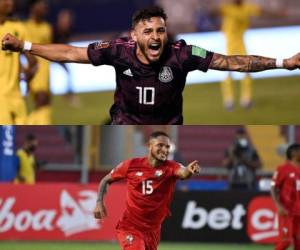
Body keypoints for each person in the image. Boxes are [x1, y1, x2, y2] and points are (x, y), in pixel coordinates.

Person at [2, 6, 300, 125]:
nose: (156, 36)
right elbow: (70, 53)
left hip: (168, 129)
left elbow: (232, 62)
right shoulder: (119, 50)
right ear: (134, 36)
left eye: (160, 30)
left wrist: (284, 62)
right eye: (148, 31)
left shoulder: (183, 53)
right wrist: (25, 46)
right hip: (126, 125)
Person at [93, 131, 200, 250]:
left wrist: (189, 171)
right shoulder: (131, 165)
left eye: (167, 147)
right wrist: (99, 202)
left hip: (153, 231)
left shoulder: (171, 167)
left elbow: (183, 173)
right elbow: (106, 180)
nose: (164, 149)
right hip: (130, 227)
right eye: (160, 145)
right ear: (149, 146)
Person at [0, 0, 37, 124]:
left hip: (17, 97)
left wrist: (26, 78)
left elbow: (33, 61)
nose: (10, 2)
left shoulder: (18, 28)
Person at [25, 0, 52, 124]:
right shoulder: (25, 27)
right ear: (33, 7)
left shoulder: (47, 27)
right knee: (41, 100)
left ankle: (38, 122)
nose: (44, 7)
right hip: (36, 68)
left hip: (46, 69)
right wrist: (31, 67)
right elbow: (24, 50)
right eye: (40, 4)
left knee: (46, 100)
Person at [271, 143, 300, 250]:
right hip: (287, 211)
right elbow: (273, 188)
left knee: (298, 242)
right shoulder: (282, 169)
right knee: (286, 241)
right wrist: (278, 206)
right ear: (294, 153)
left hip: (299, 211)